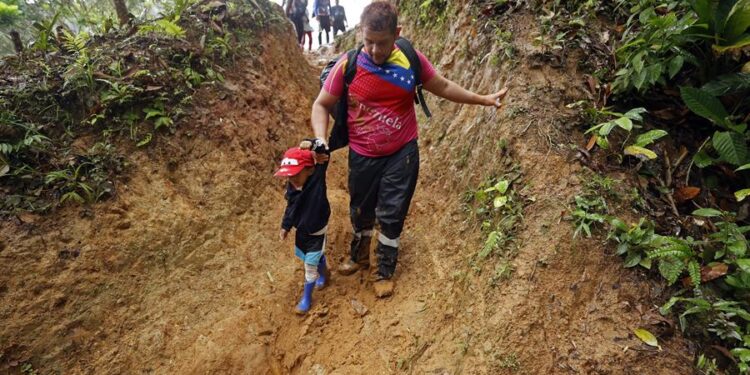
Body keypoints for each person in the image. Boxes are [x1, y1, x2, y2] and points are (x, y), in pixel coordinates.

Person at [311, 1, 509, 298]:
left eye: (382, 43)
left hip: (401, 152)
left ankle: (385, 269)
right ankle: (360, 254)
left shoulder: (409, 58)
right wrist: (320, 139)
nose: (375, 50)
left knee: (392, 212)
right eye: (369, 42)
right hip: (363, 154)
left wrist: (482, 99)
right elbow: (321, 104)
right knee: (361, 210)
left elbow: (441, 86)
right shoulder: (348, 64)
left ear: (397, 33)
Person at [276, 140, 331, 315]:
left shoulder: (317, 178)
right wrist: (286, 226)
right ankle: (324, 273)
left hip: (317, 230)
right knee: (307, 256)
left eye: (296, 175)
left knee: (309, 265)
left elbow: (323, 149)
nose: (292, 180)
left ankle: (307, 298)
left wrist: (312, 145)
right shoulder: (292, 188)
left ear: (310, 170)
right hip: (302, 231)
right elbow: (290, 208)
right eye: (289, 177)